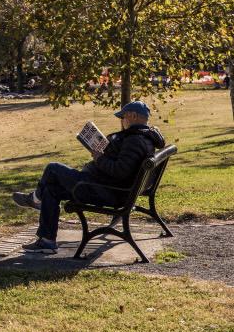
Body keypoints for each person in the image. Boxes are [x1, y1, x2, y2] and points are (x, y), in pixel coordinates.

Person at [12, 100, 166, 253]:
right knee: (51, 189)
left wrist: (99, 158)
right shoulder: (143, 137)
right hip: (110, 189)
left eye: (123, 117)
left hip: (105, 191)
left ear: (132, 116)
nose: (122, 121)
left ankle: (35, 199)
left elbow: (119, 171)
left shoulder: (135, 140)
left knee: (53, 168)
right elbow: (122, 166)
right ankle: (46, 241)